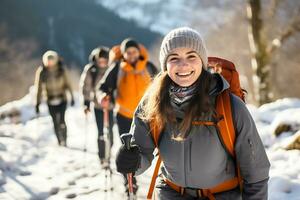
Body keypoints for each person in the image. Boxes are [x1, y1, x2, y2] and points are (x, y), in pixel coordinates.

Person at [115, 27, 270, 200]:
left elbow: (256, 170)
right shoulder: (152, 104)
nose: (183, 65)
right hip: (171, 194)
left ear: (202, 61)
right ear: (165, 65)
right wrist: (132, 160)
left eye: (191, 56)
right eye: (174, 58)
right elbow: (142, 153)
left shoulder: (229, 105)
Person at [97, 38, 158, 196]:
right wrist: (104, 95)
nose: (132, 55)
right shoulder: (117, 68)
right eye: (128, 52)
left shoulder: (149, 66)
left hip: (147, 116)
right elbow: (103, 87)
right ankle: (130, 182)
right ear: (124, 54)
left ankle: (159, 179)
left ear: (139, 52)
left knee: (150, 149)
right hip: (124, 115)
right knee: (128, 151)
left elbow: (161, 83)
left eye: (134, 52)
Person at [80, 46, 114, 166]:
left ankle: (109, 153)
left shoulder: (112, 68)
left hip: (112, 106)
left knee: (110, 132)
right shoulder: (91, 70)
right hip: (98, 105)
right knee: (100, 131)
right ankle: (102, 156)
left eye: (105, 61)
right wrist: (86, 103)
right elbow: (86, 87)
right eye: (100, 61)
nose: (102, 63)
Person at [35, 50, 74, 146]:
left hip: (62, 99)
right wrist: (37, 103)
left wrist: (72, 97)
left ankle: (64, 139)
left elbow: (68, 84)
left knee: (61, 120)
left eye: (51, 60)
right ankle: (59, 140)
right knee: (54, 122)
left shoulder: (61, 70)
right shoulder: (42, 72)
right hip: (50, 100)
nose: (50, 62)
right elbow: (39, 88)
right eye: (48, 61)